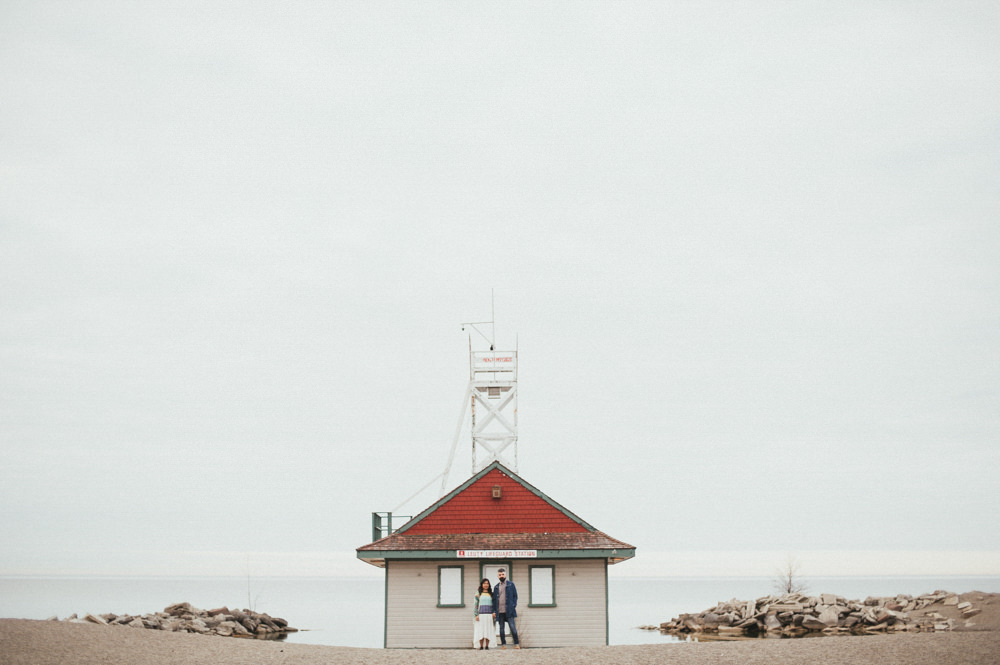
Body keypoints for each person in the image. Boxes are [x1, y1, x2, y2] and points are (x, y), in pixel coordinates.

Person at [492, 567, 520, 649]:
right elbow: (494, 600)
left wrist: (513, 605)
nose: (501, 576)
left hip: (509, 611)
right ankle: (503, 644)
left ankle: (516, 644)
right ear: (498, 576)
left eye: (503, 574)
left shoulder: (511, 584)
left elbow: (515, 596)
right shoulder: (496, 587)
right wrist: (494, 610)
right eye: (500, 575)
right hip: (500, 611)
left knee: (512, 627)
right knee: (501, 629)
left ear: (506, 575)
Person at [473, 577, 496, 650]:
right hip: (481, 615)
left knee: (488, 630)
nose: (486, 585)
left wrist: (494, 612)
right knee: (481, 630)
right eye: (484, 583)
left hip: (489, 614)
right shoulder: (478, 593)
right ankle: (481, 646)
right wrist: (476, 615)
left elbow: (494, 604)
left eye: (487, 583)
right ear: (482, 584)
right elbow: (475, 604)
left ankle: (487, 646)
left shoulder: (491, 594)